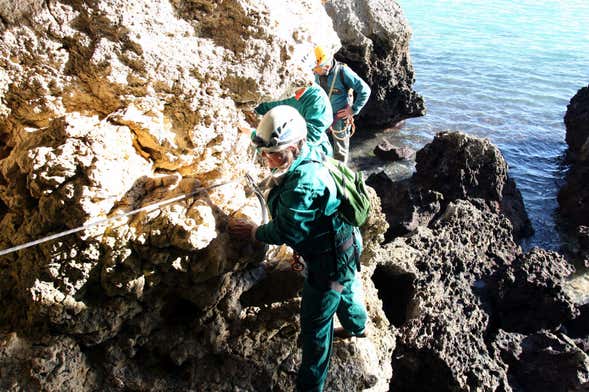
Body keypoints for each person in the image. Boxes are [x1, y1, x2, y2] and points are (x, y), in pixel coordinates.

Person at [229, 105, 367, 392]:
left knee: (316, 327)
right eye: (266, 153)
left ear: (293, 147)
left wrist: (255, 232)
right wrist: (253, 134)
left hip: (328, 265)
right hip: (346, 243)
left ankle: (310, 387)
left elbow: (286, 230)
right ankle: (357, 327)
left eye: (273, 154)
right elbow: (273, 139)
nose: (267, 160)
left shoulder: (304, 185)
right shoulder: (310, 147)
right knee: (348, 287)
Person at [255, 63, 334, 158]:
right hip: (280, 146)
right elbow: (262, 107)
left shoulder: (318, 101)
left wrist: (276, 145)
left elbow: (311, 138)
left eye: (299, 90)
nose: (295, 95)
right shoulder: (281, 91)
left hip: (310, 155)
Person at [313, 45, 371, 164]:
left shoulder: (343, 72)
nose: (314, 70)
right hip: (321, 116)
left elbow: (365, 90)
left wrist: (353, 110)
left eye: (316, 68)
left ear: (327, 66)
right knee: (319, 146)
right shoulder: (316, 72)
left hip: (340, 117)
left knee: (340, 150)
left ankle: (340, 175)